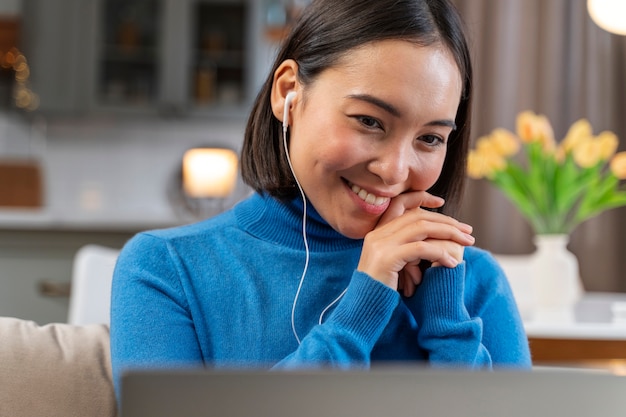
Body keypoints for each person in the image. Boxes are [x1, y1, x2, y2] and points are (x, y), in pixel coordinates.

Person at [110, 0, 532, 400]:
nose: (395, 170)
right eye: (369, 121)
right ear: (288, 92)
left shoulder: (472, 282)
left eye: (429, 138)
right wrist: (362, 303)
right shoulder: (166, 270)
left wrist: (446, 323)